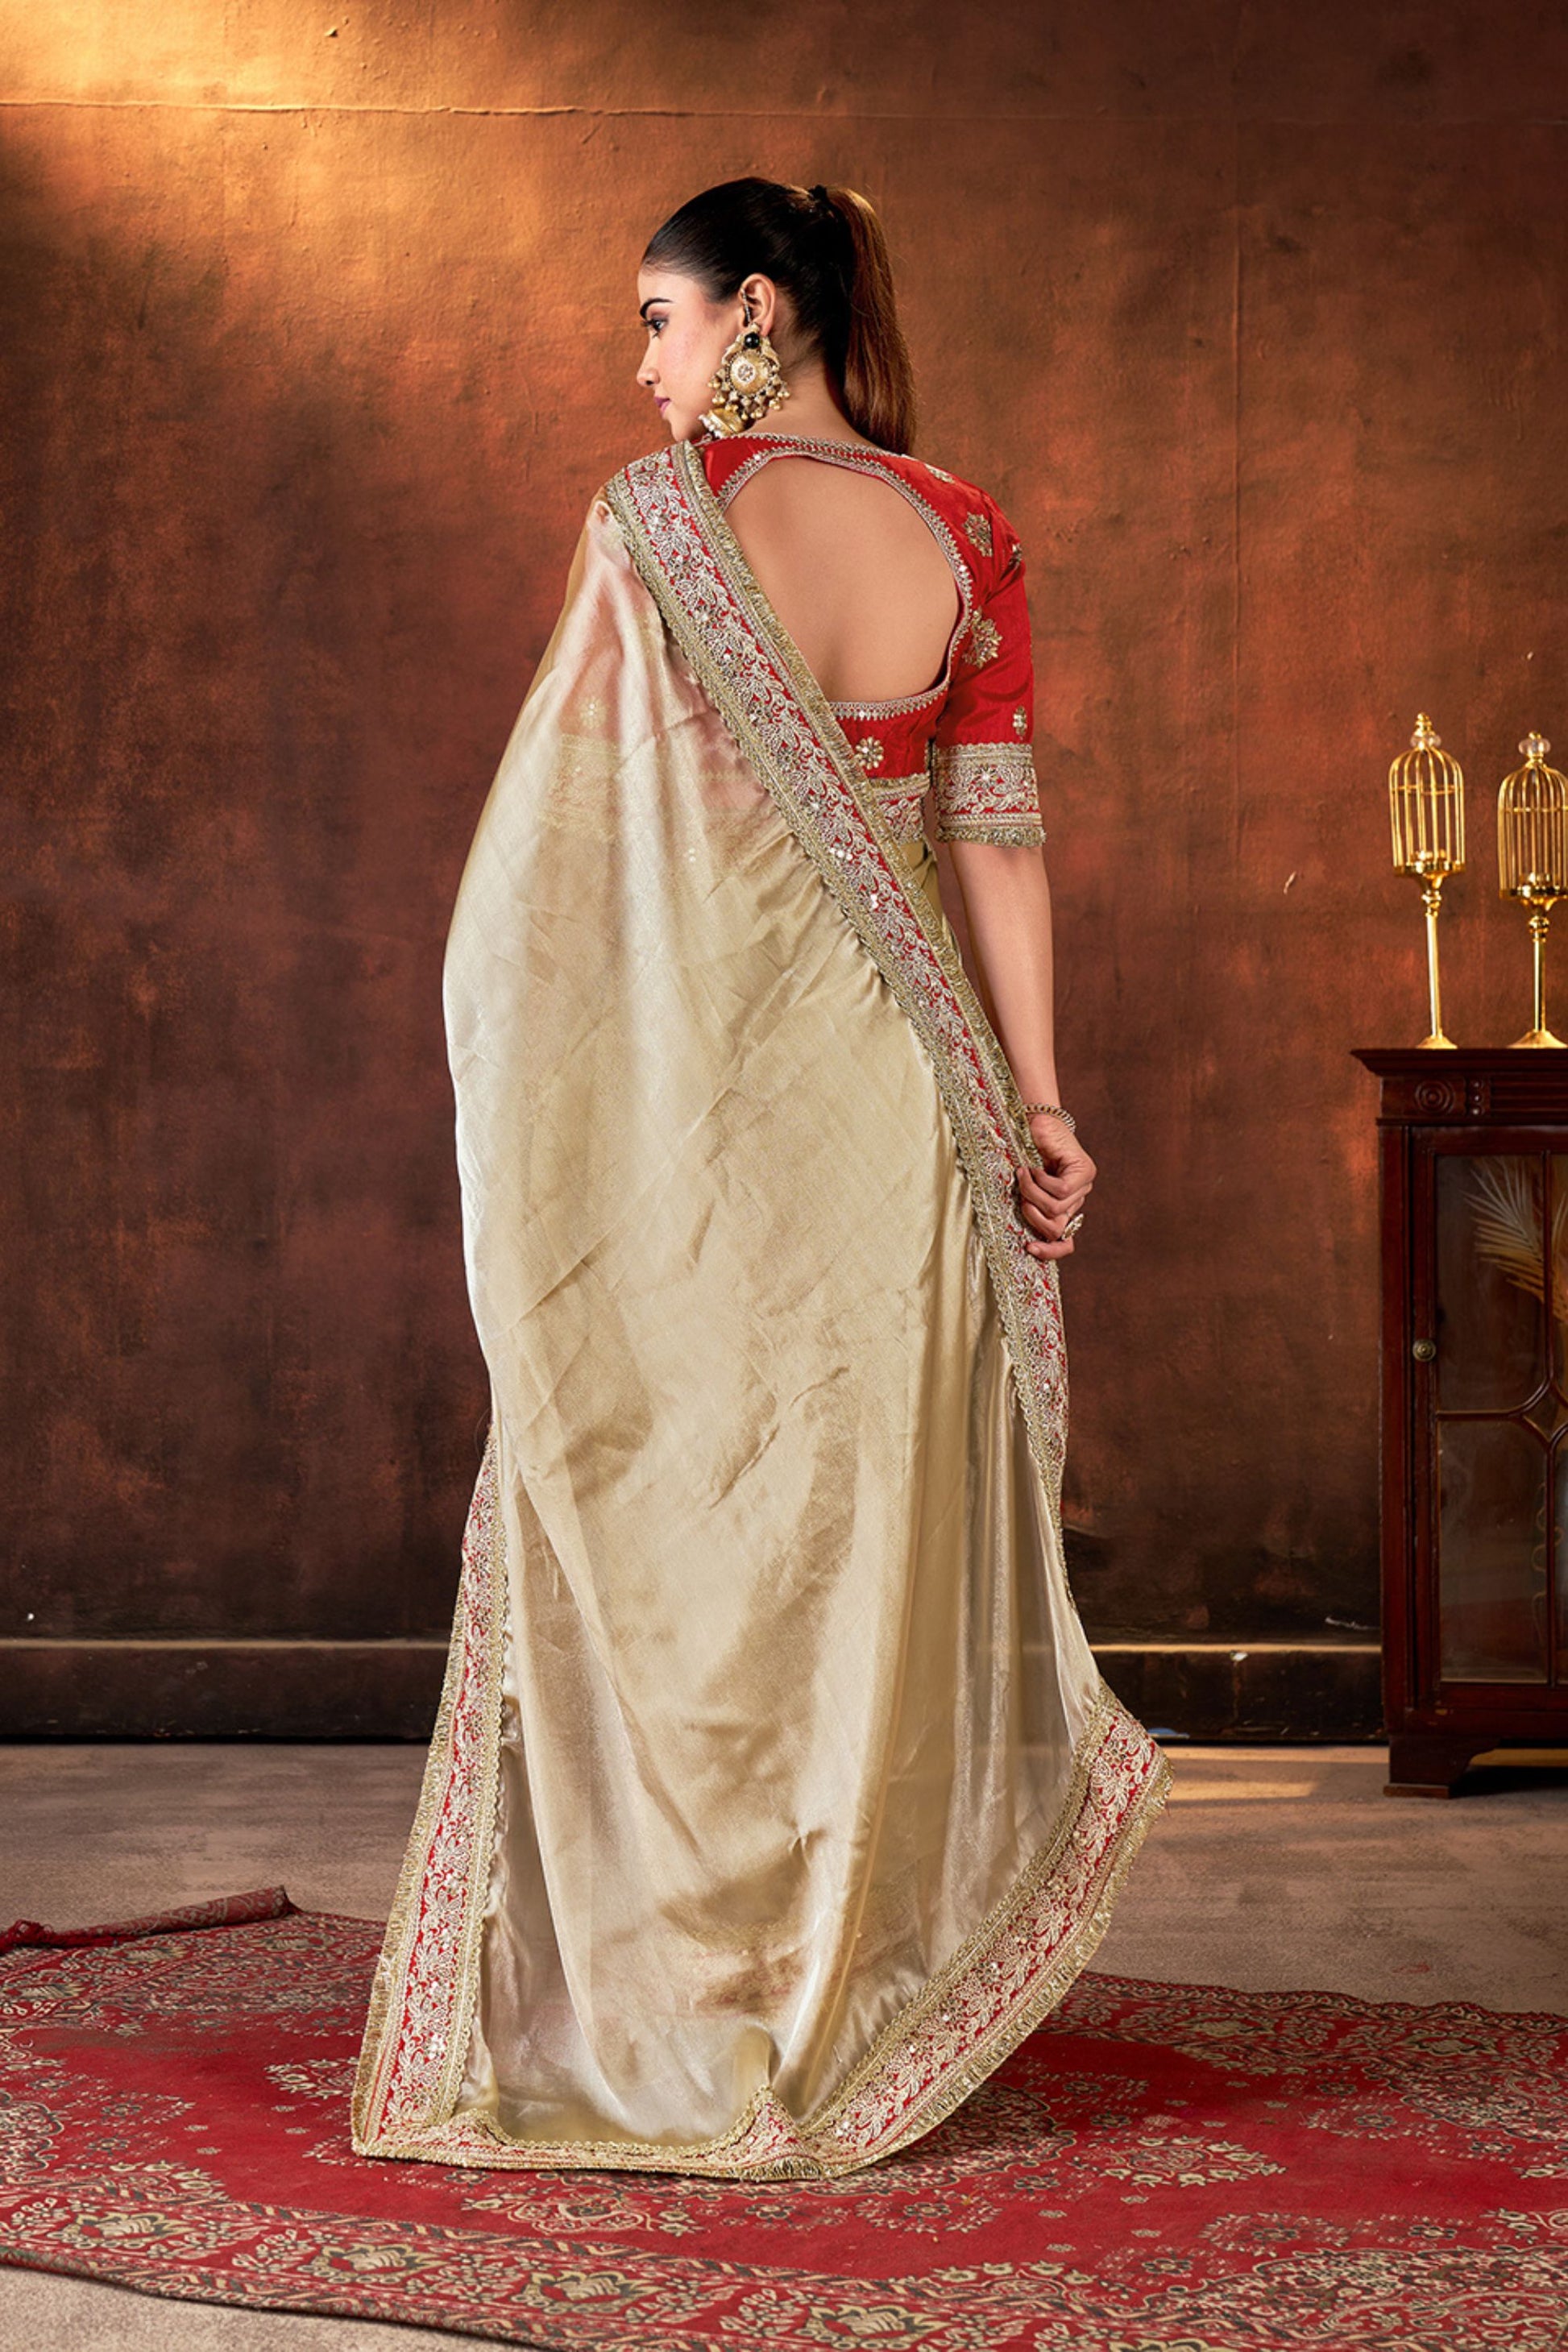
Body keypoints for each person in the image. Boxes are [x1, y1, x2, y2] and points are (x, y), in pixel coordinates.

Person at [352, 177, 1169, 2181]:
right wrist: (1039, 1104)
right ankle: (833, 1985)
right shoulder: (964, 530)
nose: (642, 363)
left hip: (695, 1117)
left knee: (685, 1514)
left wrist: (545, 1072)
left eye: (658, 318)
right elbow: (991, 829)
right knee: (845, 1543)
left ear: (756, 312)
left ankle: (667, 1988)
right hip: (906, 1103)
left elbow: (562, 867)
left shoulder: (660, 525)